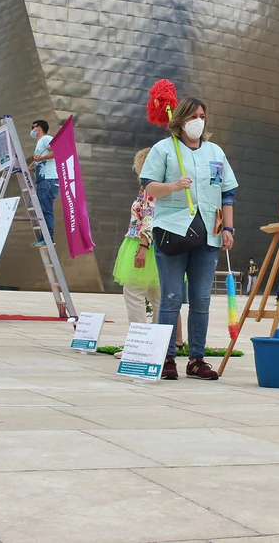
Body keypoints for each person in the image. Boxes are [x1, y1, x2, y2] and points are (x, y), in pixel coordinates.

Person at [141, 96, 238, 381]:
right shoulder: (164, 149)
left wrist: (229, 228)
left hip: (209, 233)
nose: (199, 121)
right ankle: (166, 357)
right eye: (193, 116)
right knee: (171, 296)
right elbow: (150, 188)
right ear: (181, 120)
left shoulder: (215, 152)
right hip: (173, 230)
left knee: (201, 298)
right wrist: (173, 186)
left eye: (202, 116)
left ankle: (196, 359)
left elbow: (227, 193)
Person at [112, 148, 160, 358]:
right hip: (159, 246)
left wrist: (142, 246)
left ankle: (139, 345)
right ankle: (156, 345)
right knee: (158, 298)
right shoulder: (162, 187)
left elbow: (149, 216)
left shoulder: (151, 188)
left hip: (143, 244)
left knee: (134, 293)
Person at [29, 119, 59, 247]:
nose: (32, 130)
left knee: (46, 210)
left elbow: (57, 151)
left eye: (33, 127)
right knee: (42, 210)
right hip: (43, 180)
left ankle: (48, 238)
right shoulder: (40, 143)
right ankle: (45, 237)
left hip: (48, 180)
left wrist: (42, 157)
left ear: (39, 128)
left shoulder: (46, 139)